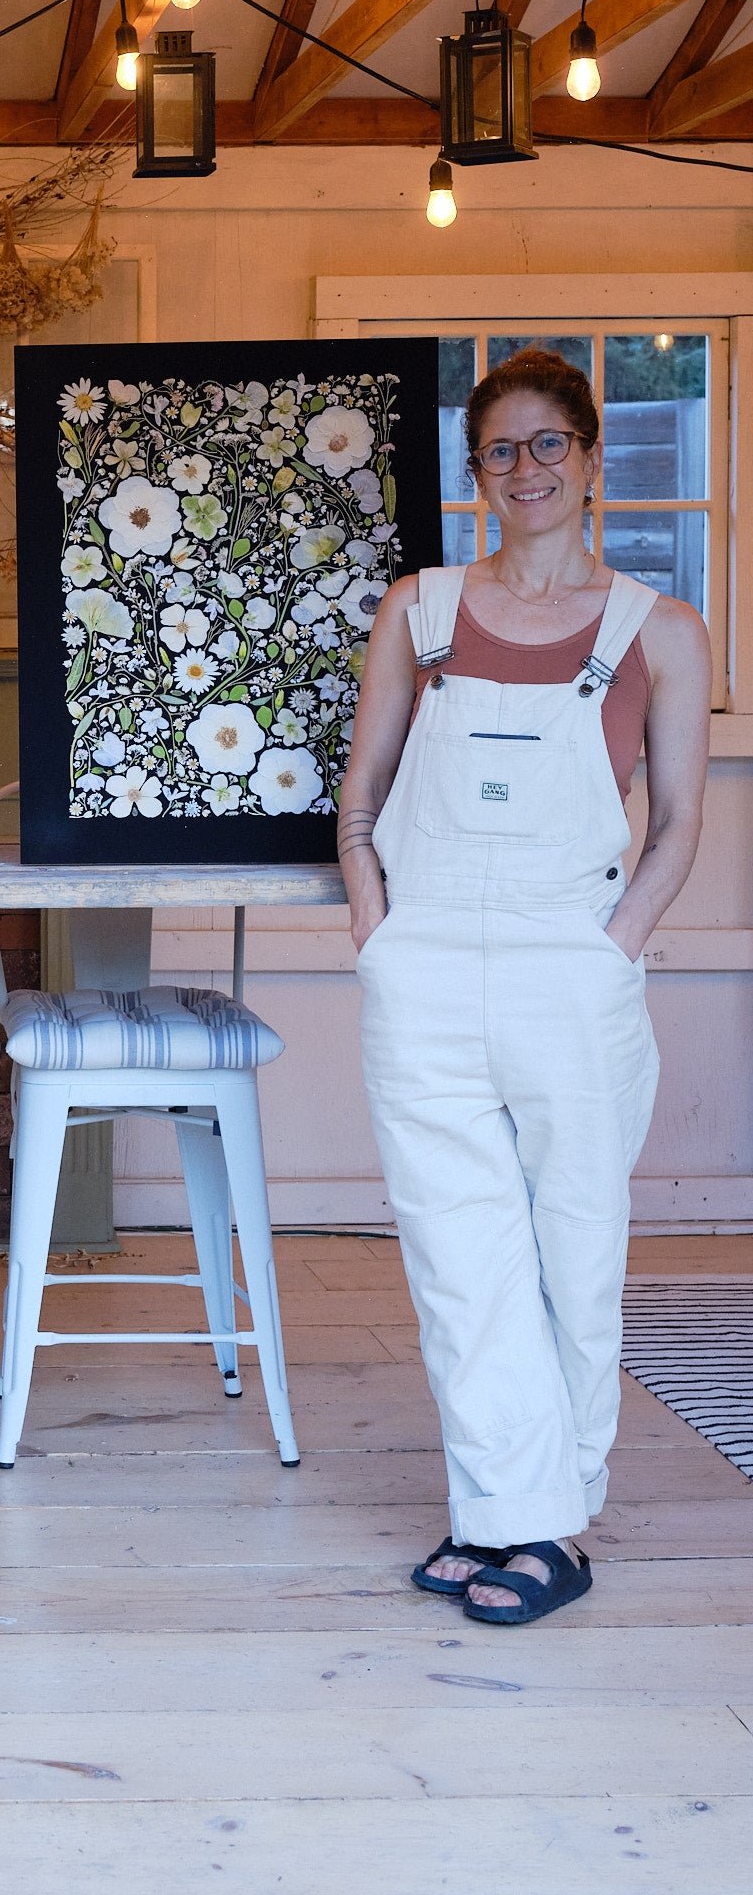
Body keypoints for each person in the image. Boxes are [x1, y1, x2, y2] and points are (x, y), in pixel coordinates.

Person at [340, 346, 710, 1625]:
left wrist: (614, 945)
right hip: (425, 957)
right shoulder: (418, 609)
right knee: (458, 1250)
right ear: (474, 473)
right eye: (500, 449)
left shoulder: (658, 631)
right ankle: (508, 1510)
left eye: (548, 442)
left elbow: (672, 830)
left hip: (572, 963)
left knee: (569, 1244)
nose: (526, 468)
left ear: (593, 459)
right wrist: (378, 925)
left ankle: (546, 1520)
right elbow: (362, 796)